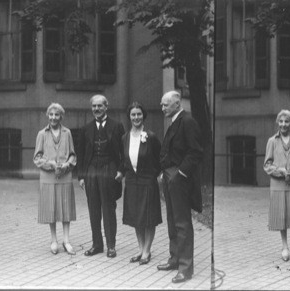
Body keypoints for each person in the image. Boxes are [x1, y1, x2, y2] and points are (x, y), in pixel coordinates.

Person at [158, 91, 203, 283]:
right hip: (169, 176)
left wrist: (180, 174)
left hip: (179, 178)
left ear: (176, 104)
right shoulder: (174, 121)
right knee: (171, 220)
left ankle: (186, 268)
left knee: (182, 223)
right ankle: (175, 258)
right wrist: (163, 172)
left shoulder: (188, 121)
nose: (162, 108)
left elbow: (195, 152)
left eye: (165, 105)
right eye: (162, 105)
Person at [77, 94, 125, 258]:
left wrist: (121, 170)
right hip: (91, 170)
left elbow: (123, 151)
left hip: (109, 169)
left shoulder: (117, 126)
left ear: (106, 107)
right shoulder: (86, 129)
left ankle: (111, 245)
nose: (96, 109)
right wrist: (81, 177)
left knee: (108, 208)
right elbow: (81, 154)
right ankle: (97, 244)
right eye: (94, 106)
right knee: (94, 209)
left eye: (99, 106)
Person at [120, 102, 162, 265]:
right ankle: (140, 249)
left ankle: (147, 250)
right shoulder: (125, 137)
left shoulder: (150, 137)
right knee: (137, 217)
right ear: (129, 117)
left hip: (147, 181)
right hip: (132, 182)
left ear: (143, 116)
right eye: (133, 114)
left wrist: (156, 174)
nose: (136, 117)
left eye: (139, 114)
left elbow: (160, 158)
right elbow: (123, 160)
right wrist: (120, 173)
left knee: (148, 217)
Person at [263, 110, 290, 262]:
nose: (283, 124)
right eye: (281, 121)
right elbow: (267, 165)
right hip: (278, 184)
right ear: (278, 122)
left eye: (286, 121)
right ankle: (284, 247)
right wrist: (280, 171)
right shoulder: (272, 141)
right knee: (282, 215)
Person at [33, 103, 77, 255]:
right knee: (51, 208)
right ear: (48, 116)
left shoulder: (67, 133)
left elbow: (73, 155)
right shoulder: (42, 134)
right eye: (51, 114)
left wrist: (66, 165)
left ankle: (66, 240)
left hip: (65, 175)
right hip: (48, 177)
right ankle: (54, 240)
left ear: (61, 116)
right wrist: (50, 164)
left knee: (65, 209)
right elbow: (37, 158)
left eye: (56, 115)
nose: (53, 117)